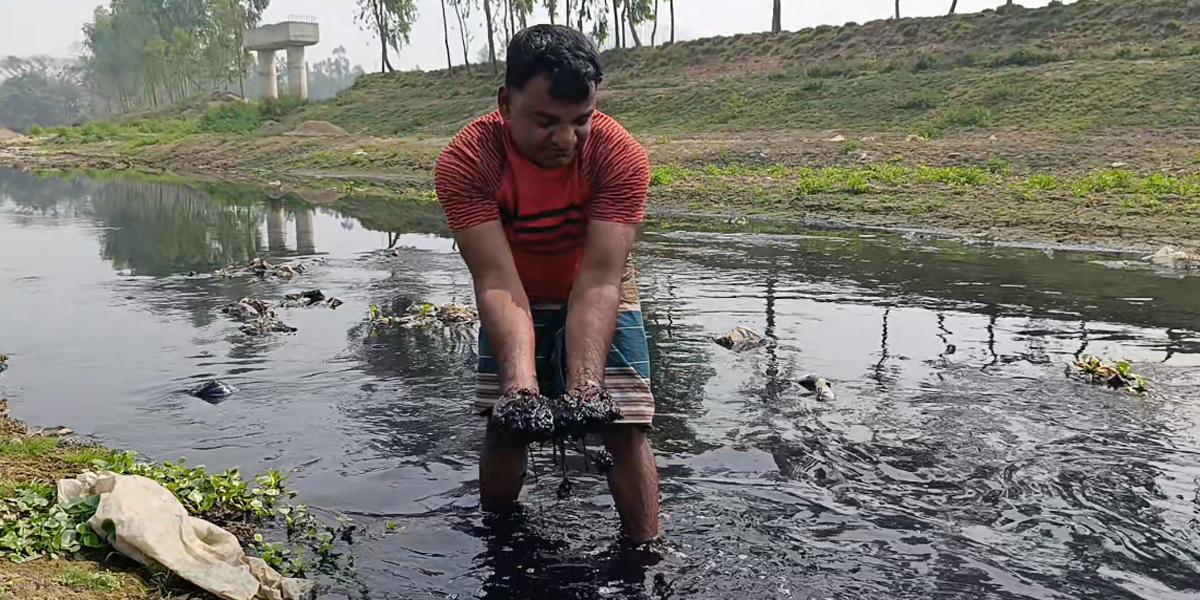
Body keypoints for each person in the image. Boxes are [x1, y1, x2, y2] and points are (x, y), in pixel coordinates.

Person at [434, 24, 659, 543]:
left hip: (600, 286)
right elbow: (495, 278)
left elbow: (600, 279)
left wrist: (584, 387)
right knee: (508, 419)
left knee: (624, 424)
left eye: (580, 121)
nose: (565, 140)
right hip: (515, 286)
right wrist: (520, 388)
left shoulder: (619, 155)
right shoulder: (468, 160)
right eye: (544, 122)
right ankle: (498, 540)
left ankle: (647, 553)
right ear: (504, 104)